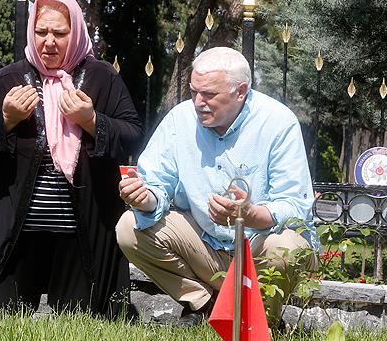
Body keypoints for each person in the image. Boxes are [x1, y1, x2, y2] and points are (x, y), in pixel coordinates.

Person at [0, 0, 143, 317]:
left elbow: (132, 136)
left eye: (59, 33)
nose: (48, 42)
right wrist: (6, 120)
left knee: (80, 322)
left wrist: (91, 121)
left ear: (76, 33)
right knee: (3, 320)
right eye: (41, 32)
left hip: (82, 235)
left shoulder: (102, 77)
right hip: (18, 234)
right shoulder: (10, 78)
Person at [115, 47, 318, 326]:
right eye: (193, 92)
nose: (198, 102)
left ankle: (260, 320)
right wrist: (144, 198)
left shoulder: (278, 122)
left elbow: (296, 207)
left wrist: (249, 214)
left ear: (241, 91)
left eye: (209, 94)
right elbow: (156, 183)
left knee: (288, 248)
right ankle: (205, 306)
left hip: (258, 246)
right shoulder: (179, 119)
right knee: (129, 227)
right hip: (205, 244)